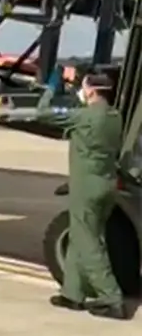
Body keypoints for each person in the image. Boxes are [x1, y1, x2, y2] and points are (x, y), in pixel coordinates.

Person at [36, 69, 129, 321]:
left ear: (91, 91)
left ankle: (111, 298)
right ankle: (73, 293)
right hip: (106, 184)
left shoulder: (84, 117)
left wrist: (52, 89)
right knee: (81, 235)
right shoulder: (115, 116)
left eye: (84, 86)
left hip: (86, 186)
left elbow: (42, 114)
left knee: (89, 243)